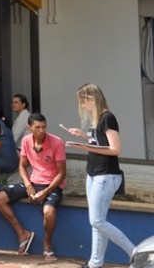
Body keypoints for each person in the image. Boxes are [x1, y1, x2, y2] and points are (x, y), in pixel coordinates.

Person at [64, 83, 135, 268]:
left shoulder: (108, 118)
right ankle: (95, 263)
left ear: (91, 99)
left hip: (106, 174)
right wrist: (83, 136)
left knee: (96, 221)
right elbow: (99, 140)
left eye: (83, 101)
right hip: (95, 173)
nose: (82, 105)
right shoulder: (98, 119)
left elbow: (115, 149)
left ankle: (134, 252)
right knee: (97, 222)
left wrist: (85, 147)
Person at [0, 113, 66, 262]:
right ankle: (22, 233)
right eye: (37, 127)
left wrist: (45, 192)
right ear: (29, 128)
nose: (41, 130)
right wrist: (28, 186)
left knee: (49, 212)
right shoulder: (26, 141)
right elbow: (22, 166)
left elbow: (62, 173)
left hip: (52, 185)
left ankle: (47, 243)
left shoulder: (57, 142)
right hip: (32, 182)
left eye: (44, 127)